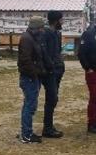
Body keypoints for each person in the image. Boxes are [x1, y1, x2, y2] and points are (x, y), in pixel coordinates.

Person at [17, 16, 48, 143]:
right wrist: (34, 74)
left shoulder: (32, 37)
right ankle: (26, 134)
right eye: (41, 27)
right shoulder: (27, 39)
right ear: (36, 27)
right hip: (29, 77)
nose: (42, 30)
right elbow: (25, 60)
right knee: (29, 106)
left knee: (30, 105)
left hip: (32, 76)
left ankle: (27, 131)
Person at [40, 10, 65, 138]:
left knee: (53, 99)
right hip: (50, 72)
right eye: (61, 19)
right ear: (56, 21)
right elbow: (45, 53)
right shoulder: (47, 34)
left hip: (57, 70)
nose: (63, 21)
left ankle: (49, 126)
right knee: (51, 99)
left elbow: (57, 51)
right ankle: (47, 128)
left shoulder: (56, 33)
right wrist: (51, 66)